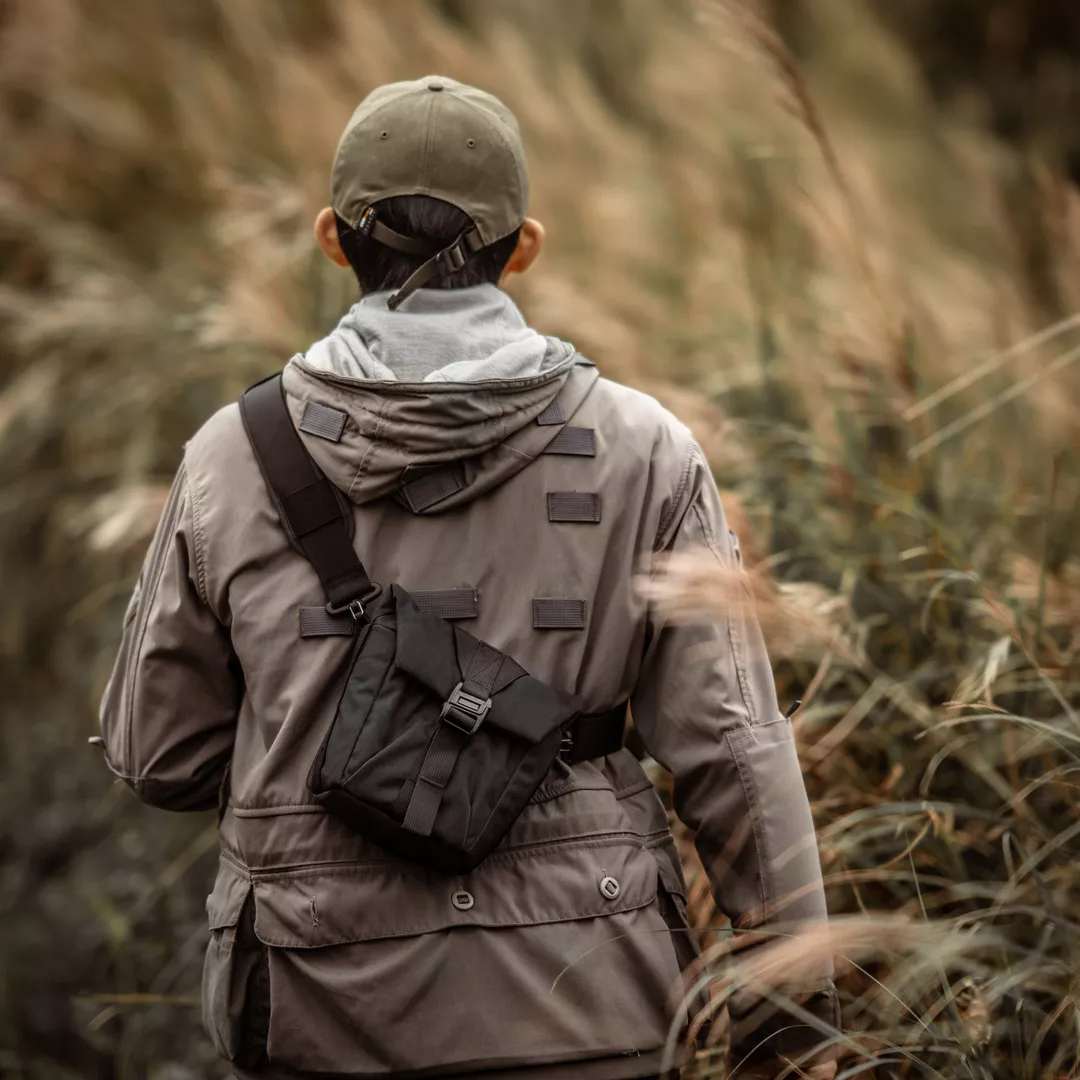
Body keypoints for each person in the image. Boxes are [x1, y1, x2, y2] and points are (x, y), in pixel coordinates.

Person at [98, 76, 838, 1080]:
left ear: (331, 236)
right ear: (523, 246)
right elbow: (738, 760)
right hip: (597, 993)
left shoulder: (230, 457)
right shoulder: (646, 451)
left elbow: (159, 759)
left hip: (316, 1004)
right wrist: (794, 1028)